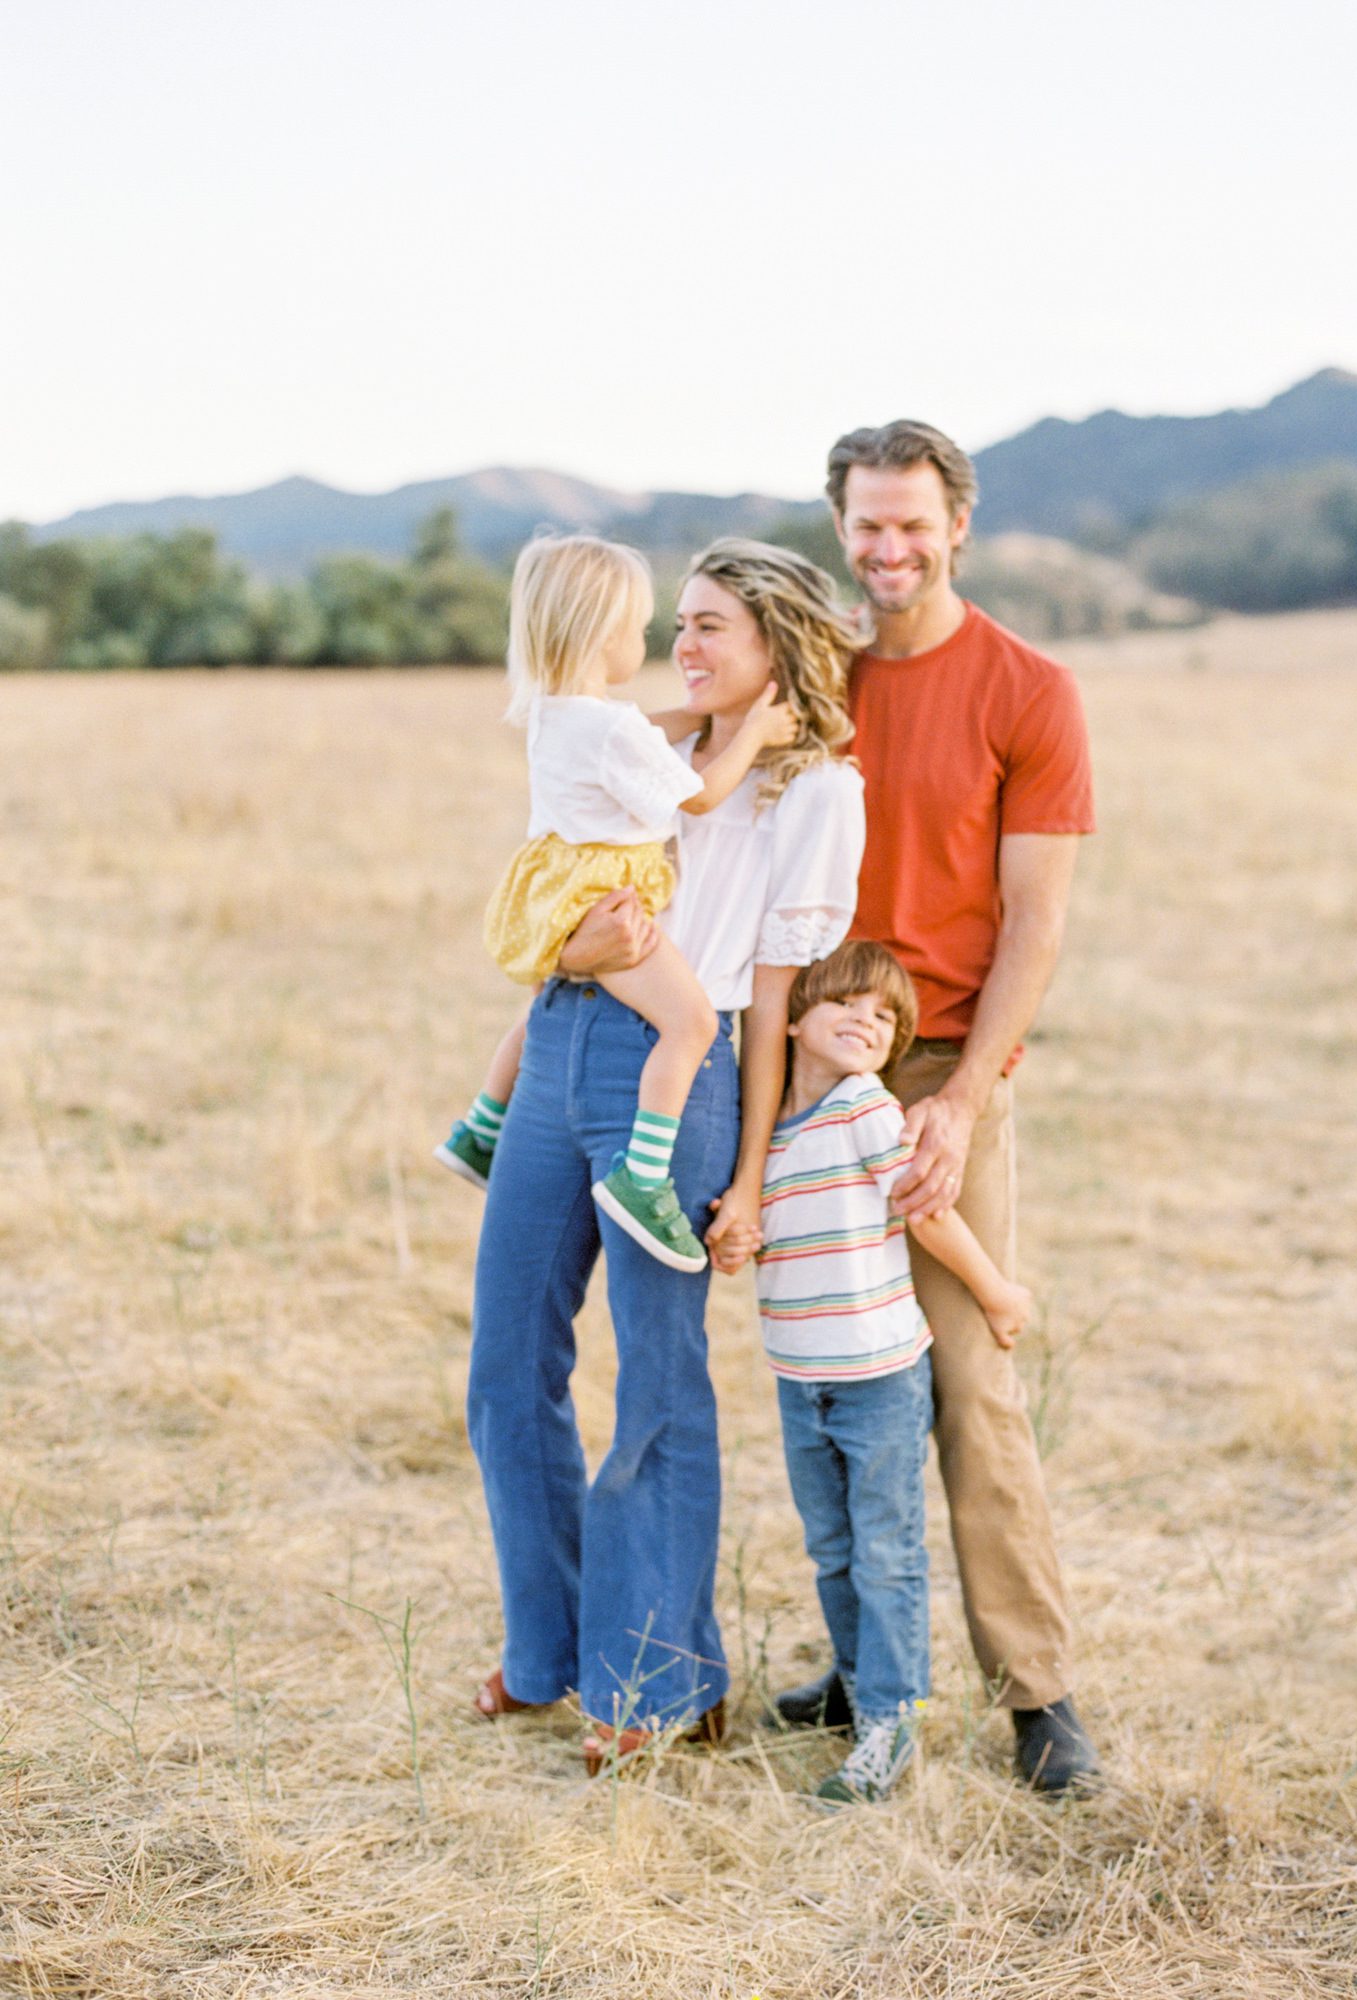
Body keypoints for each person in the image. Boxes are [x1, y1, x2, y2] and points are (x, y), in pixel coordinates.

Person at [465, 537, 865, 1773]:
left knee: (655, 1382)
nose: (684, 647)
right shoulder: (633, 745)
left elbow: (769, 990)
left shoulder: (810, 791)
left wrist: (746, 1176)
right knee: (503, 1367)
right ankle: (550, 1652)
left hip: (680, 1087)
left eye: (712, 629)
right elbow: (562, 916)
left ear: (775, 649)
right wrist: (532, 1022)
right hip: (564, 1045)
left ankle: (661, 1677)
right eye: (677, 622)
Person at [767, 421, 1102, 1795]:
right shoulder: (817, 680)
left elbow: (1036, 920)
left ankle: (1040, 1698)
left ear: (958, 525)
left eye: (913, 523)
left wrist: (963, 1099)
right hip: (805, 1071)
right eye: (866, 524)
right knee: (834, 1374)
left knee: (967, 1380)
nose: (889, 548)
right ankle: (863, 1663)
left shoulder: (1030, 689)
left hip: (944, 1066)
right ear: (839, 526)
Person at [435, 532, 794, 1271]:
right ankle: (643, 1175)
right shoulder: (612, 728)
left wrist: (691, 720)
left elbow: (636, 735)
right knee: (690, 1023)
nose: (646, 643)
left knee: (539, 1005)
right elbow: (697, 797)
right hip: (610, 898)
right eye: (639, 629)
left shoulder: (553, 712)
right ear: (603, 636)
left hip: (553, 888)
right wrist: (753, 732)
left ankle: (480, 1125)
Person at [759, 941, 1031, 1804]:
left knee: (883, 1550)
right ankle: (851, 1682)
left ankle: (888, 1720)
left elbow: (930, 1216)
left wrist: (995, 1293)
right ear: (793, 1018)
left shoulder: (866, 1111)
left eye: (885, 1018)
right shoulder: (766, 1128)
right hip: (799, 1377)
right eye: (844, 1002)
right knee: (832, 1548)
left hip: (876, 1374)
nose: (864, 1022)